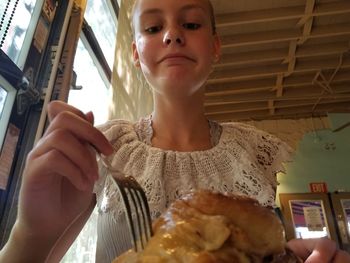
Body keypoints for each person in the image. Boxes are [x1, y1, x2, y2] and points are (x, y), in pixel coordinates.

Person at [0, 0, 349, 262]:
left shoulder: (256, 152)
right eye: (153, 29)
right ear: (136, 53)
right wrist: (31, 232)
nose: (172, 34)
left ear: (215, 46)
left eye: (192, 24)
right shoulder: (104, 149)